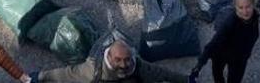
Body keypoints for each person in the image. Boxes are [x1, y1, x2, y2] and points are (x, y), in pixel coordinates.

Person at [35, 39, 188, 82]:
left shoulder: (137, 66)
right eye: (118, 60)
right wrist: (39, 77)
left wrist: (187, 79)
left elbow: (161, 73)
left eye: (127, 60)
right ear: (108, 57)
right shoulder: (92, 70)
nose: (123, 65)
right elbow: (66, 74)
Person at [191, 0, 260, 83]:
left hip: (239, 59)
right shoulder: (229, 23)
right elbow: (213, 43)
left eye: (248, 7)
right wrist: (199, 65)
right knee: (218, 76)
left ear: (253, 5)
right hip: (220, 54)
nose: (245, 11)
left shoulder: (255, 18)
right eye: (241, 7)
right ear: (235, 8)